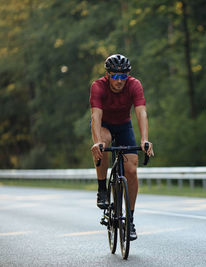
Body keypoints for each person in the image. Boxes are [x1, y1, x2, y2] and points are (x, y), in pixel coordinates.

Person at [89, 54, 154, 241]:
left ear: (128, 75)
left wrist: (144, 140)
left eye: (123, 76)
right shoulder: (98, 86)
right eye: (115, 76)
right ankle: (102, 188)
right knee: (103, 142)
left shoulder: (134, 85)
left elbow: (141, 113)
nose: (119, 81)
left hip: (124, 127)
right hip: (105, 126)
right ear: (108, 75)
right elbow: (95, 117)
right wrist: (97, 141)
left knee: (132, 170)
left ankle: (130, 220)